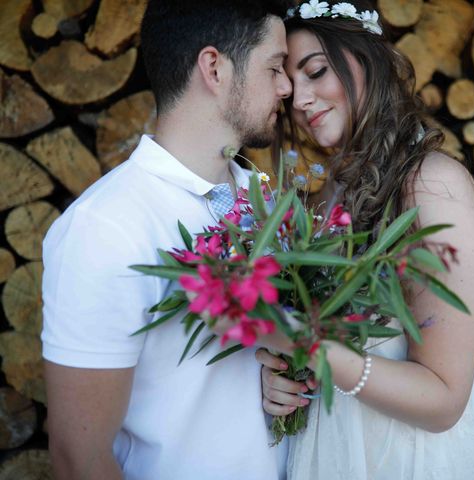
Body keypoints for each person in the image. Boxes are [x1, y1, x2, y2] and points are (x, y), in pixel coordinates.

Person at [41, 1, 294, 479]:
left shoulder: (265, 198)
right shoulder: (107, 228)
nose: (287, 86)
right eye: (275, 67)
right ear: (214, 67)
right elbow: (79, 459)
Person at [255, 1, 474, 479]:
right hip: (331, 452)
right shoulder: (326, 193)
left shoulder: (432, 185)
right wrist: (285, 380)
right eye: (291, 85)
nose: (300, 100)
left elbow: (445, 398)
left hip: (403, 460)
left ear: (367, 58)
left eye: (317, 71)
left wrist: (314, 350)